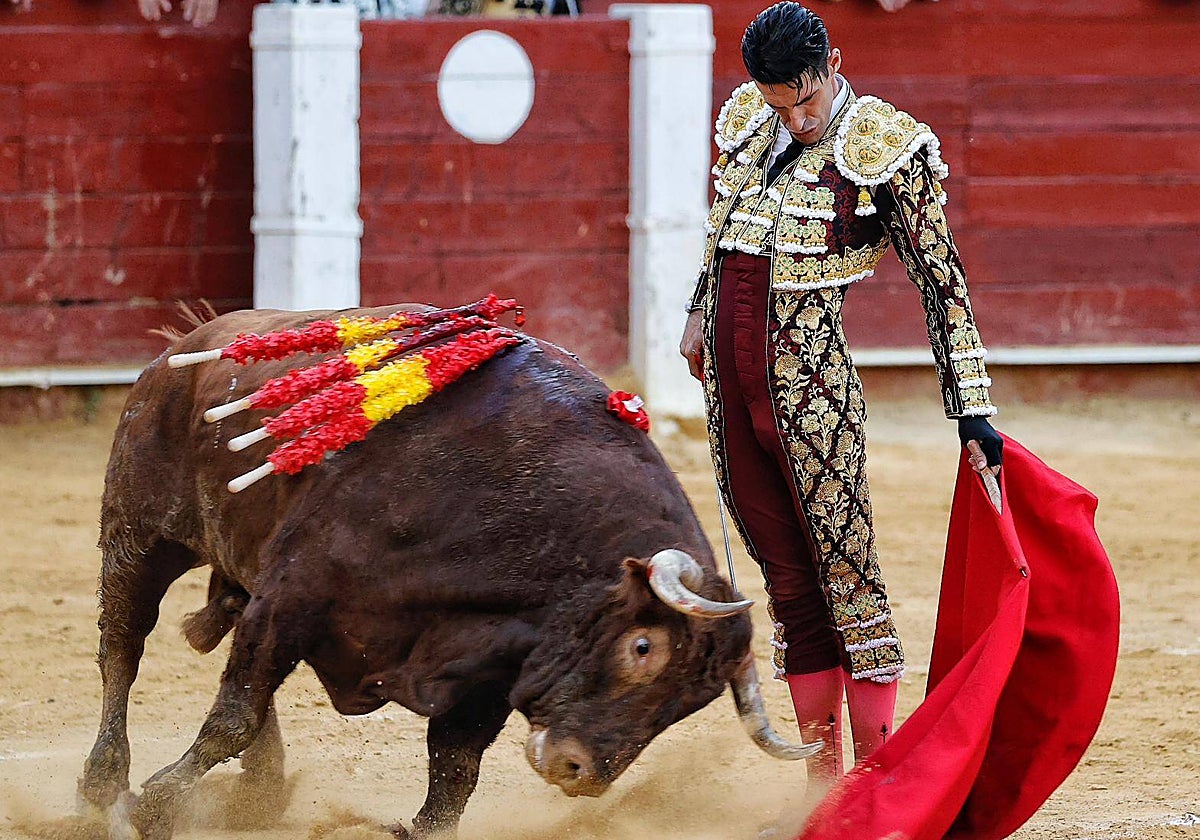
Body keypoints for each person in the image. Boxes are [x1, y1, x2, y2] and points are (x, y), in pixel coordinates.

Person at [678, 1, 1003, 794]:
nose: (796, 118)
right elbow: (727, 234)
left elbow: (941, 281)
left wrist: (972, 405)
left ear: (834, 63)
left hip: (813, 399)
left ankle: (880, 783)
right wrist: (696, 311)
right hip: (732, 395)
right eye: (780, 103)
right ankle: (826, 788)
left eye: (807, 98)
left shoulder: (888, 146)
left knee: (849, 581)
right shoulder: (756, 126)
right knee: (788, 586)